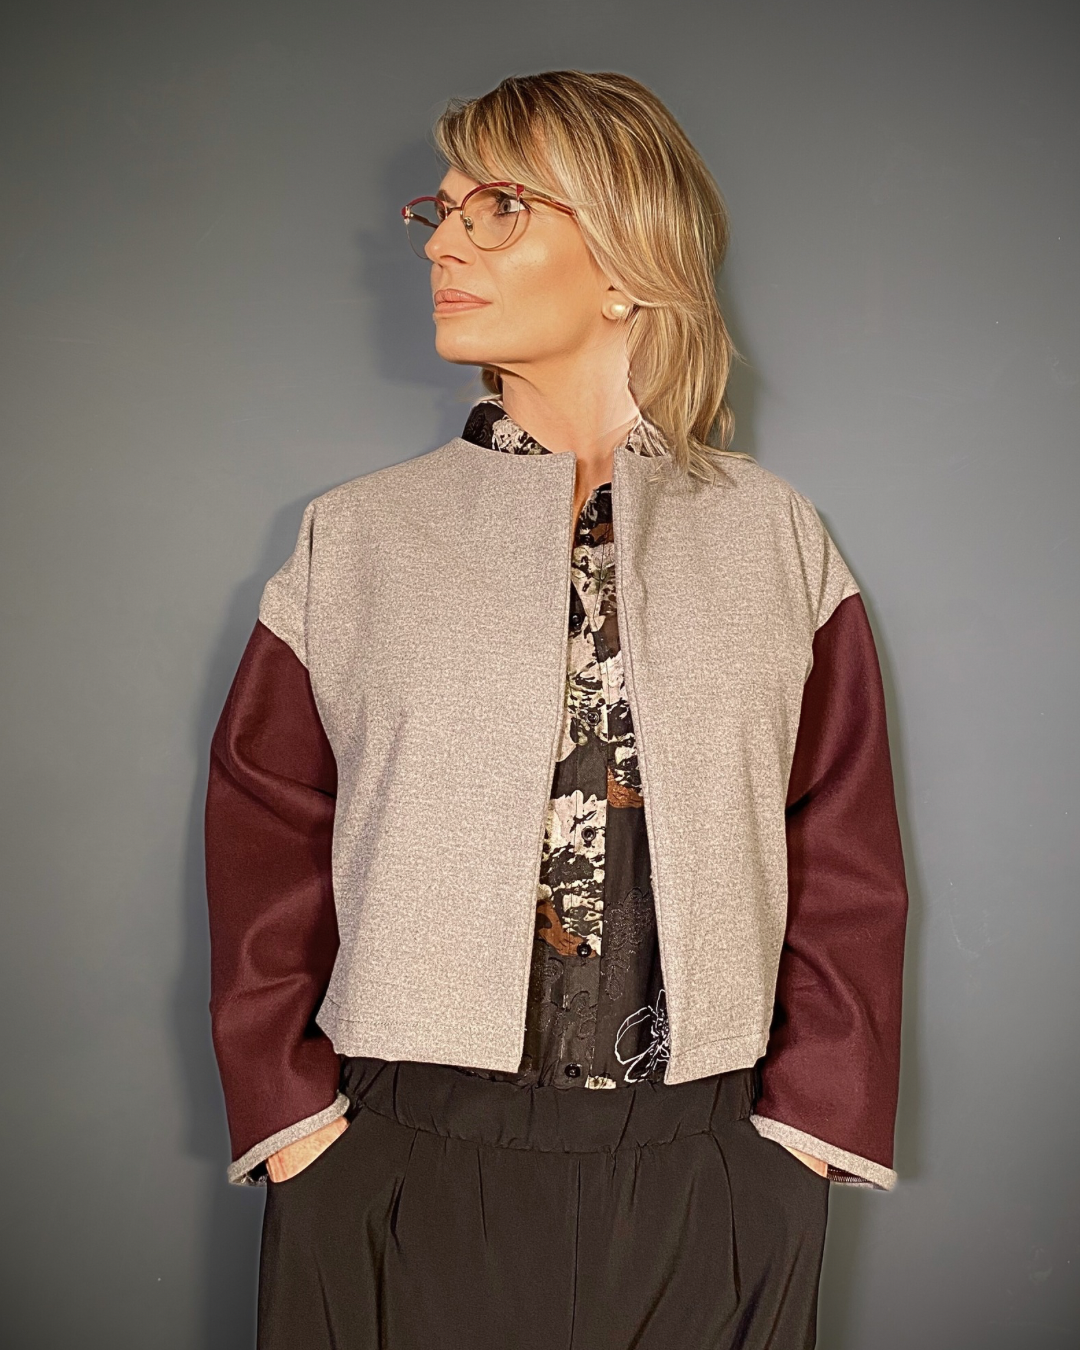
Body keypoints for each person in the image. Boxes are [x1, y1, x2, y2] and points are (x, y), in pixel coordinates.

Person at [205, 69, 909, 1350]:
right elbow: (266, 833)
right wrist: (291, 1118)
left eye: (499, 209)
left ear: (627, 261)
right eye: (444, 211)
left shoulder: (775, 540)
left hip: (712, 1167)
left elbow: (842, 846)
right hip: (398, 1159)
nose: (442, 244)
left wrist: (810, 1127)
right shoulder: (356, 540)